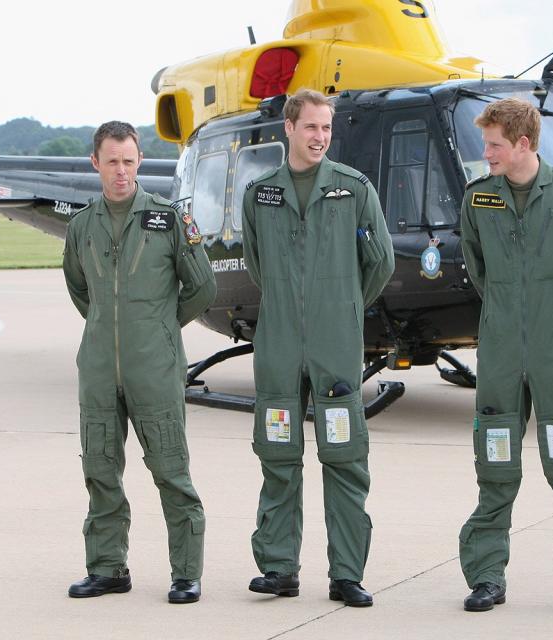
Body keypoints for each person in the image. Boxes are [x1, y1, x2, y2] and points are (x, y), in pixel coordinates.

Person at [457, 98, 553, 613]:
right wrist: (509, 313)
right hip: (500, 350)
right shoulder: (479, 198)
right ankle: (486, 576)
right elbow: (477, 268)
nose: (487, 153)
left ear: (524, 144)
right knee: (495, 463)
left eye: (495, 144)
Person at [241, 89, 394, 607]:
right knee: (279, 457)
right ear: (289, 128)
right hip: (279, 345)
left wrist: (343, 306)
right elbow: (258, 265)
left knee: (345, 459)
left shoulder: (353, 189)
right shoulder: (261, 193)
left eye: (327, 128)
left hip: (336, 347)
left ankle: (346, 574)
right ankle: (279, 568)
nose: (320, 137)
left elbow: (380, 262)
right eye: (311, 127)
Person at [62, 121, 217, 604]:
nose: (121, 171)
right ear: (96, 164)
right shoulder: (81, 225)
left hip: (155, 368)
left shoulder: (167, 220)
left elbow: (203, 288)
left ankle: (186, 574)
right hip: (99, 373)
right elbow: (79, 289)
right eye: (112, 161)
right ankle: (108, 568)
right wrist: (110, 329)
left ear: (139, 161)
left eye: (129, 161)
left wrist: (158, 330)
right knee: (101, 469)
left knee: (171, 471)